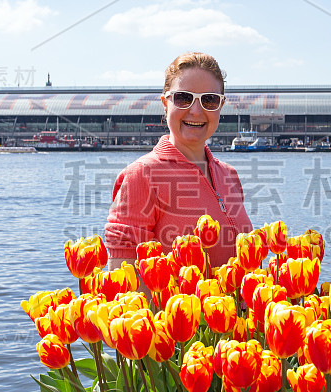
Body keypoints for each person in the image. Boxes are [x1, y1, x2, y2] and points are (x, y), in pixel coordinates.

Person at [105, 52, 252, 269]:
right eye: (184, 98)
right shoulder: (142, 175)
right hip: (173, 305)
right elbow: (124, 281)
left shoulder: (229, 175)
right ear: (165, 103)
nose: (196, 110)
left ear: (221, 106)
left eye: (209, 100)